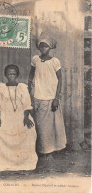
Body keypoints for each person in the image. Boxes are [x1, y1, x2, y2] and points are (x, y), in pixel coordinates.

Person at [0, 65, 38, 172]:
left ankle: (24, 162)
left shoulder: (22, 87)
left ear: (17, 75)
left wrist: (26, 117)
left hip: (20, 114)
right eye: (9, 74)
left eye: (14, 74)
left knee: (28, 131)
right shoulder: (0, 88)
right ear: (6, 75)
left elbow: (27, 104)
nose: (11, 76)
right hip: (4, 115)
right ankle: (0, 162)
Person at [28, 34, 67, 162]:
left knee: (51, 126)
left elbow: (60, 79)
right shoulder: (35, 59)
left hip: (51, 98)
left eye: (46, 46)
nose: (43, 48)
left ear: (50, 47)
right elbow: (31, 76)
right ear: (38, 47)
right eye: (41, 45)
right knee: (41, 125)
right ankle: (43, 151)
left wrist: (56, 98)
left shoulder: (55, 61)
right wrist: (29, 91)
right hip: (38, 97)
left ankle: (49, 152)